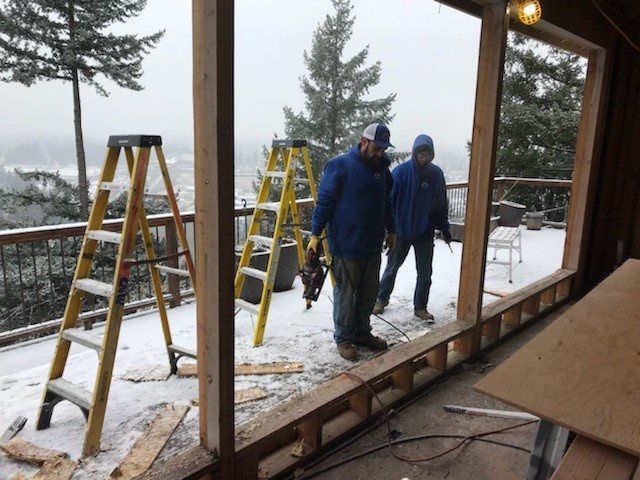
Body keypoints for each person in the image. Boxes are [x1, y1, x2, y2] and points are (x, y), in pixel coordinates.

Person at [307, 123, 396, 360]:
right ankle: (344, 338)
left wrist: (392, 230)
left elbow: (387, 204)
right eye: (377, 148)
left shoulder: (383, 172)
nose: (380, 153)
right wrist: (315, 234)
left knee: (368, 293)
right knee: (345, 296)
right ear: (364, 141)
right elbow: (325, 201)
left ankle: (361, 332)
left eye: (383, 150)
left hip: (372, 245)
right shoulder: (341, 166)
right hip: (346, 246)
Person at [373, 134, 451, 322]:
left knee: (425, 273)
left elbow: (441, 204)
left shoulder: (436, 174)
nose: (423, 157)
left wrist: (444, 227)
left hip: (424, 233)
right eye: (420, 153)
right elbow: (389, 202)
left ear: (431, 154)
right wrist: (390, 229)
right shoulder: (401, 172)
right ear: (415, 153)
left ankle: (420, 307)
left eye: (427, 154)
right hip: (401, 232)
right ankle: (381, 299)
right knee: (392, 268)